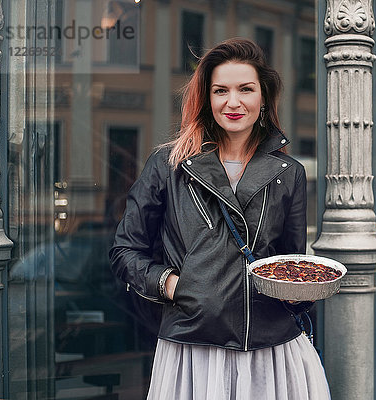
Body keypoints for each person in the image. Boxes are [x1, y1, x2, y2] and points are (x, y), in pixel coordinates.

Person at [109, 38, 331, 399]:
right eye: (220, 91)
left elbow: (289, 262)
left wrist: (301, 292)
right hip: (193, 344)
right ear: (206, 99)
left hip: (269, 345)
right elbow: (125, 252)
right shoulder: (169, 166)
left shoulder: (288, 172)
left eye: (246, 89)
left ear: (263, 97)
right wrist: (175, 285)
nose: (233, 102)